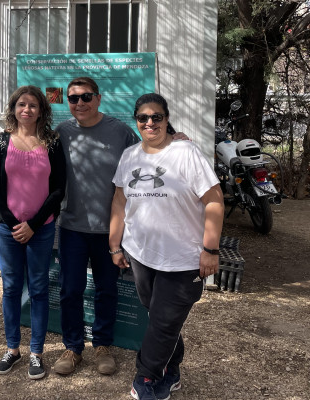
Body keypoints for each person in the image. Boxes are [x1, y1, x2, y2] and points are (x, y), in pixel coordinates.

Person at [109, 93, 223, 400]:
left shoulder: (185, 153)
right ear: (136, 122)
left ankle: (144, 378)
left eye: (156, 117)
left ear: (166, 119)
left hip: (183, 259)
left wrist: (210, 250)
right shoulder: (130, 155)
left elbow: (213, 200)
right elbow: (120, 200)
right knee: (162, 319)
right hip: (141, 254)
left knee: (162, 322)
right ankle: (171, 372)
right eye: (143, 118)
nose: (150, 123)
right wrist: (115, 245)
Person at [51, 76, 138, 377]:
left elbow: (147, 158)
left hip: (109, 231)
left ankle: (102, 345)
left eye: (86, 97)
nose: (79, 103)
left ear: (98, 99)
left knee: (106, 290)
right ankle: (73, 348)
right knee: (70, 290)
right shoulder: (61, 132)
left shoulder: (121, 132)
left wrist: (176, 137)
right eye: (73, 98)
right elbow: (32, 153)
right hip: (73, 227)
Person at [0, 85, 67, 380]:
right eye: (22, 104)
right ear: (14, 108)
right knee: (10, 289)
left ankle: (36, 352)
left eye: (33, 105)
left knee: (38, 290)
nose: (27, 110)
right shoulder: (2, 141)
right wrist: (11, 223)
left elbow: (59, 188)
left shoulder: (52, 142)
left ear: (42, 110)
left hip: (41, 229)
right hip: (8, 231)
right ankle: (12, 348)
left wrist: (33, 224)